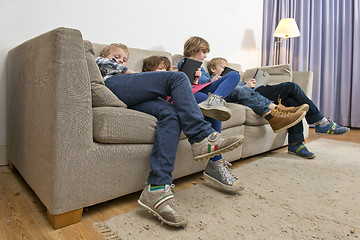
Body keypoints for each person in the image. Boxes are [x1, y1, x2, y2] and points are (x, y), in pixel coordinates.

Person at [96, 43, 245, 228]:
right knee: (178, 77)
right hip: (115, 86)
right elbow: (116, 68)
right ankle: (201, 136)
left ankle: (157, 188)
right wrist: (145, 75)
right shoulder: (102, 64)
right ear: (105, 55)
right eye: (116, 56)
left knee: (171, 114)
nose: (121, 60)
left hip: (133, 98)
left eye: (125, 59)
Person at [207, 57, 350, 159]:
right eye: (223, 67)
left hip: (255, 90)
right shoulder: (214, 80)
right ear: (213, 69)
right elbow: (236, 93)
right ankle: (320, 122)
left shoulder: (232, 78)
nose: (227, 70)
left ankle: (296, 144)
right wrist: (245, 86)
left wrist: (248, 83)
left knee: (291, 100)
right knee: (291, 87)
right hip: (251, 92)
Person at [143, 54, 242, 190]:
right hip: (184, 94)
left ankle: (214, 100)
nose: (165, 72)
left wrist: (194, 79)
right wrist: (171, 77)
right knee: (211, 109)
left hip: (195, 88)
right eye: (161, 68)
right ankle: (216, 162)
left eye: (166, 69)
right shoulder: (149, 83)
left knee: (235, 76)